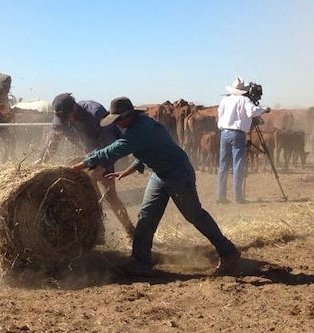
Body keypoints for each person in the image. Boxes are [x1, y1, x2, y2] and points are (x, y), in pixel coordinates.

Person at [71, 97, 241, 276]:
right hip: (160, 174)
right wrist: (128, 171)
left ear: (128, 116)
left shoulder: (140, 129)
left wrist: (79, 165)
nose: (118, 124)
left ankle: (228, 251)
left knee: (194, 215)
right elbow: (147, 150)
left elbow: (113, 150)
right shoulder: (140, 126)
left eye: (119, 120)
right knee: (146, 216)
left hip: (177, 173)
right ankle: (141, 260)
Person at [38, 93, 135, 238]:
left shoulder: (95, 113)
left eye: (66, 117)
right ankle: (98, 228)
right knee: (90, 189)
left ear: (74, 109)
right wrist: (40, 160)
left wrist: (86, 159)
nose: (63, 121)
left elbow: (107, 146)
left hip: (107, 151)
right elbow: (53, 141)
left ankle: (128, 231)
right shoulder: (61, 117)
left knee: (107, 193)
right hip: (89, 153)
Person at [217, 77, 271, 204]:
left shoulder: (225, 100)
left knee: (223, 165)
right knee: (238, 165)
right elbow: (252, 111)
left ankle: (221, 196)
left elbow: (219, 114)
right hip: (238, 134)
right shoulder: (244, 100)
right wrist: (265, 109)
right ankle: (238, 196)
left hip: (224, 133)